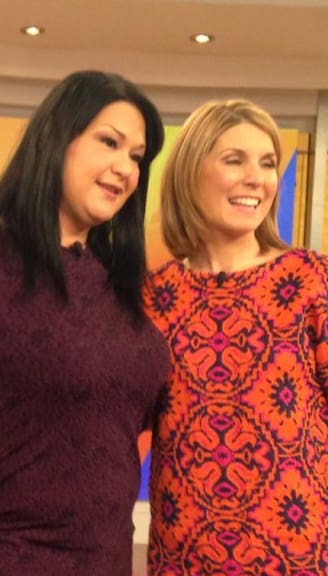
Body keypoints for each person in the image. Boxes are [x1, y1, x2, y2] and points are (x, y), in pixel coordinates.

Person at [0, 70, 168, 575]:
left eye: (137, 157)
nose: (124, 167)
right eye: (109, 142)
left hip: (102, 561)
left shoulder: (122, 283)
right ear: (56, 137)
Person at [144, 99, 328, 574]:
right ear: (191, 172)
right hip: (182, 555)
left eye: (267, 163)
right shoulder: (155, 296)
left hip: (297, 557)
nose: (257, 179)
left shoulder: (309, 280)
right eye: (235, 160)